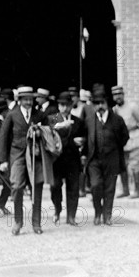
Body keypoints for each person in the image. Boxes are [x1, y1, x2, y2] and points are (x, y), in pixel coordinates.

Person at [0, 86, 49, 235]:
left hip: (35, 156)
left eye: (30, 99)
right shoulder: (12, 115)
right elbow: (3, 137)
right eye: (25, 99)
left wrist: (40, 131)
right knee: (17, 186)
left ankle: (36, 223)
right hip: (18, 157)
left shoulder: (39, 114)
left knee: (36, 189)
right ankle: (18, 221)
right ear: (19, 101)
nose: (28, 102)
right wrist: (3, 160)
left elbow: (50, 126)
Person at [83, 89, 129, 226]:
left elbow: (124, 137)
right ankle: (98, 212)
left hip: (112, 159)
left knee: (110, 188)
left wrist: (115, 149)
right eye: (96, 103)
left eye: (102, 103)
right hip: (94, 159)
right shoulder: (89, 120)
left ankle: (107, 215)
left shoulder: (117, 120)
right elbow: (85, 137)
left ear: (107, 103)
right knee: (95, 185)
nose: (100, 106)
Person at [48, 92, 86, 226]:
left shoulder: (78, 121)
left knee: (73, 188)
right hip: (56, 161)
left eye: (67, 105)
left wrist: (82, 141)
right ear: (58, 106)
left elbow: (84, 138)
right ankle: (57, 209)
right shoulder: (52, 120)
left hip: (72, 160)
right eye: (61, 105)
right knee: (55, 186)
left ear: (71, 105)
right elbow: (47, 137)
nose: (64, 108)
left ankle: (71, 216)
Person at [112, 85, 139, 199]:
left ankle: (137, 191)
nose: (118, 97)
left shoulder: (132, 107)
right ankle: (125, 190)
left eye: (119, 94)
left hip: (134, 139)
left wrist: (138, 134)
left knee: (134, 166)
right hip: (122, 142)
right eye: (115, 95)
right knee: (123, 166)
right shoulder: (114, 110)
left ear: (123, 95)